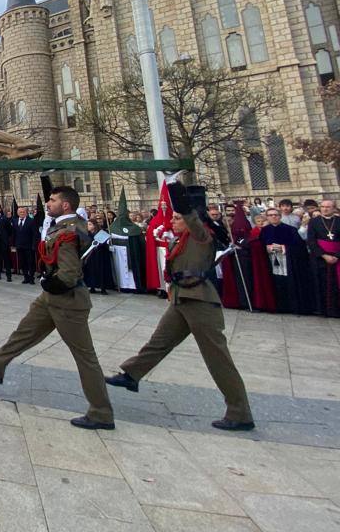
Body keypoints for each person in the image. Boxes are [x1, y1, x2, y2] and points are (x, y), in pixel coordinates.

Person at [106, 177, 254, 432]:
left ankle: (240, 413)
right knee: (159, 342)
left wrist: (173, 185)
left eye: (176, 218)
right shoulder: (179, 240)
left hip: (200, 302)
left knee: (217, 358)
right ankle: (131, 375)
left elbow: (193, 217)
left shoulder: (200, 237)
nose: (171, 221)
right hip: (181, 299)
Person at [0, 185, 115, 430]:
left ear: (65, 205)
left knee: (85, 358)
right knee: (24, 332)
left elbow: (68, 273)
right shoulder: (70, 222)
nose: (48, 203)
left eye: (53, 200)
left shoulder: (69, 230)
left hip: (67, 300)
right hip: (51, 297)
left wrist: (52, 281)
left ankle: (101, 412)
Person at [261, 207, 315, 314]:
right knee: (275, 282)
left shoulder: (290, 229)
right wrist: (267, 248)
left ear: (280, 216)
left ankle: (292, 306)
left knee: (290, 283)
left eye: (275, 214)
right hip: (271, 260)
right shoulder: (264, 230)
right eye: (270, 215)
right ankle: (278, 306)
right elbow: (260, 245)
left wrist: (283, 247)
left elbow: (300, 246)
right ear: (267, 217)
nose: (273, 217)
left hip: (288, 261)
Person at [306, 199, 340, 318]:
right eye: (323, 206)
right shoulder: (314, 222)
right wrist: (324, 255)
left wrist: (336, 256)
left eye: (328, 207)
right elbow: (311, 241)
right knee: (321, 283)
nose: (325, 209)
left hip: (337, 257)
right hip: (320, 258)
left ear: (334, 208)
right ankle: (323, 310)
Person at [83, 218, 115, 295]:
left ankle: (103, 288)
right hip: (91, 256)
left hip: (100, 255)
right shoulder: (87, 234)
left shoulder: (101, 233)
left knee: (101, 271)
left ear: (94, 225)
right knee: (91, 271)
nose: (88, 226)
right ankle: (92, 286)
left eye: (90, 224)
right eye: (87, 224)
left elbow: (105, 244)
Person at [13, 206, 37, 284]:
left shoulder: (31, 221)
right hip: (19, 246)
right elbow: (14, 234)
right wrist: (14, 245)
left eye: (23, 212)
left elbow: (34, 234)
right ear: (18, 213)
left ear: (26, 213)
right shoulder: (15, 221)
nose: (22, 213)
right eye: (20, 212)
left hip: (29, 246)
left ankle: (31, 278)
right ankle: (26, 277)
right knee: (22, 262)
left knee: (30, 262)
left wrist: (33, 245)